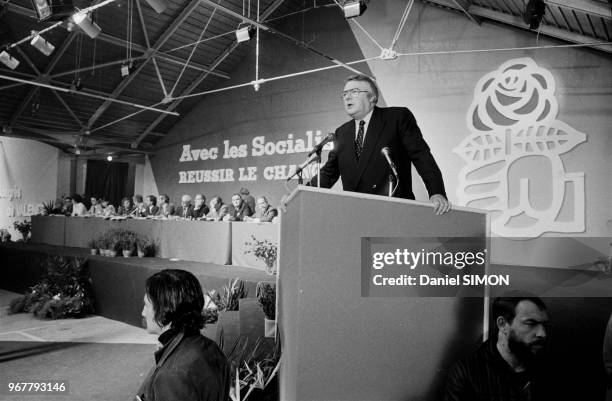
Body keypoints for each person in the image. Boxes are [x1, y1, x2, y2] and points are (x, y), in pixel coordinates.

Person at [308, 74, 450, 215]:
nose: (347, 97)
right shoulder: (341, 132)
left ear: (372, 98)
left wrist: (436, 192)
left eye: (354, 92)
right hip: (356, 214)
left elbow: (421, 156)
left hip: (394, 211)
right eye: (344, 94)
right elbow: (328, 173)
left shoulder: (397, 117)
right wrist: (300, 195)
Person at [137, 269, 230, 401]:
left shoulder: (172, 374)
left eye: (146, 305)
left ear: (165, 309)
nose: (143, 312)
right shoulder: (210, 347)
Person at [445, 293, 553, 401]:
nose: (542, 333)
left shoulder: (550, 370)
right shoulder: (467, 372)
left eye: (544, 325)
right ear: (502, 324)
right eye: (530, 323)